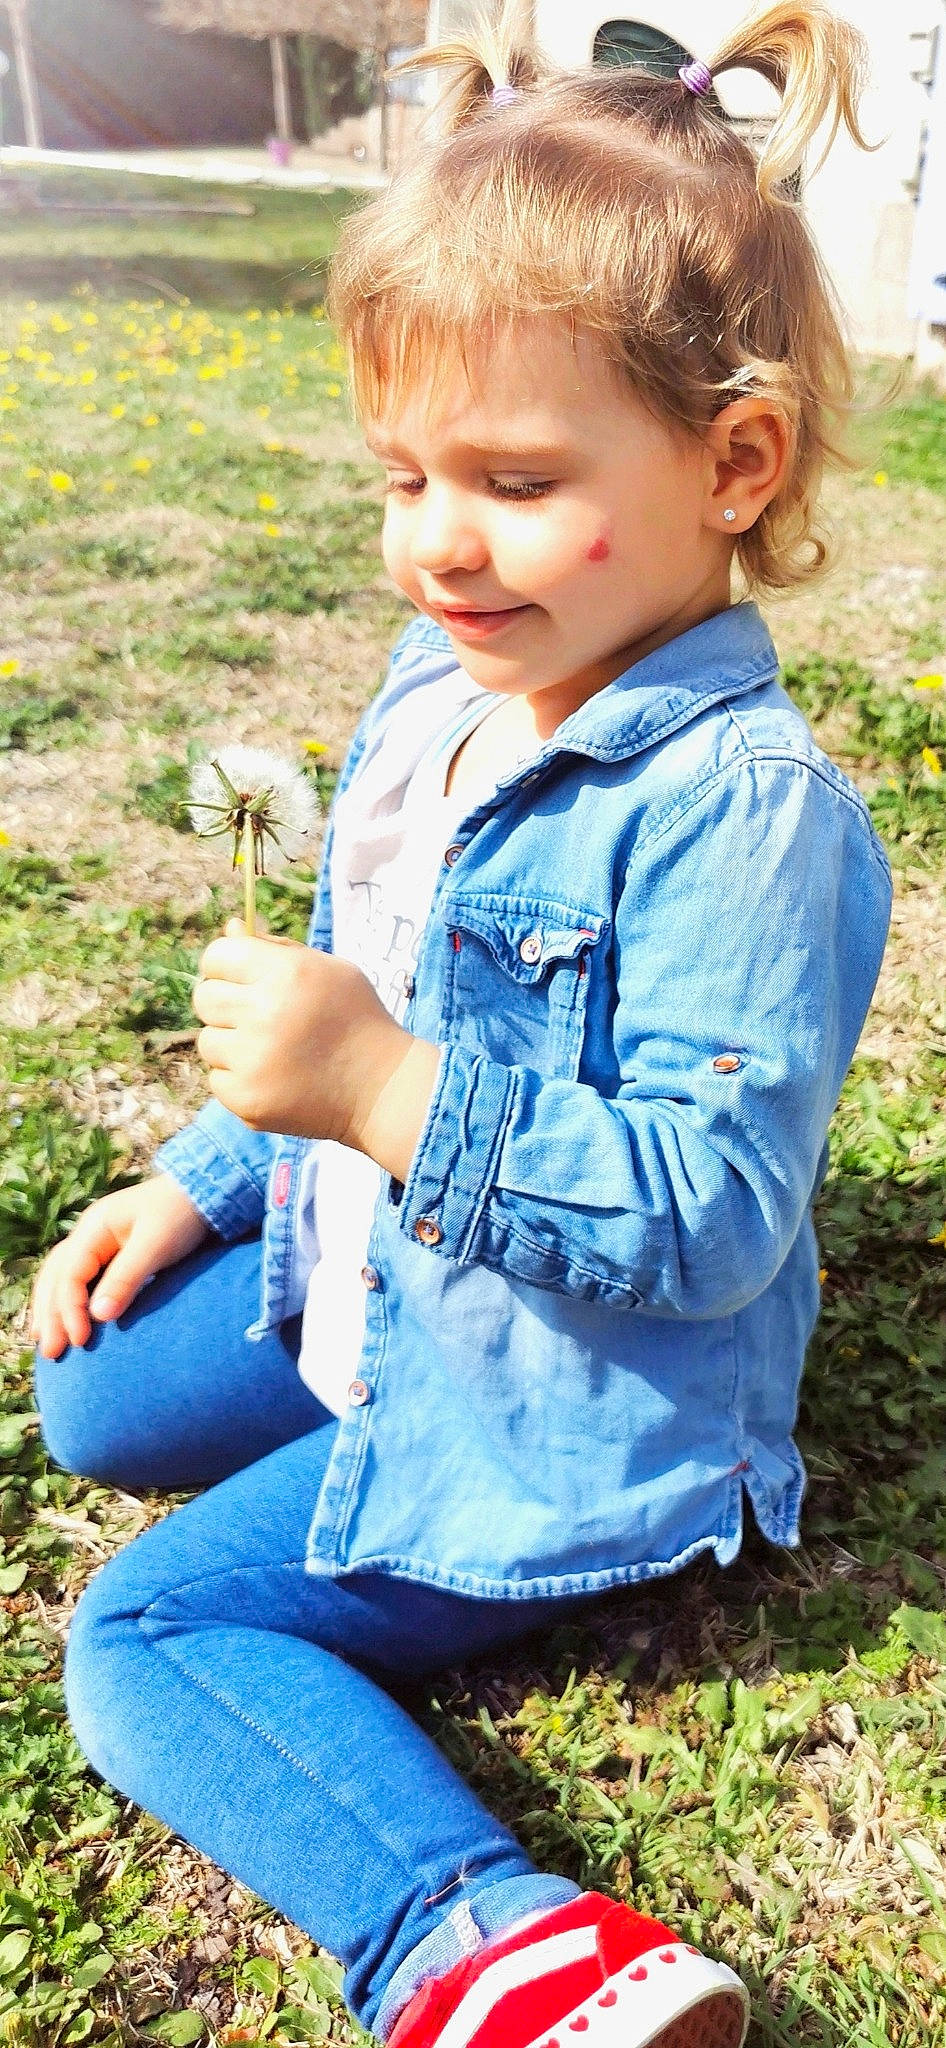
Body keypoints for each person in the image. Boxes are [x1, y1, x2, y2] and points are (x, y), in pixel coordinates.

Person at [31, 5, 892, 2044]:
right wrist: (210, 1176)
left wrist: (383, 1087)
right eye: (404, 474)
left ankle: (483, 1940)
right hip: (381, 1294)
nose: (434, 539)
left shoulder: (746, 813)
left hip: (567, 1415)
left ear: (733, 464)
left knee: (147, 1636)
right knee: (96, 1403)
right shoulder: (440, 689)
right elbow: (373, 989)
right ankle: (321, 1391)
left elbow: (704, 1218)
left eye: (511, 480)